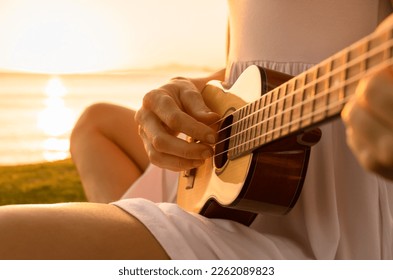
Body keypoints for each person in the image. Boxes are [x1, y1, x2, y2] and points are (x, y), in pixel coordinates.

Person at [0, 0, 392, 259]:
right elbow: (248, 65)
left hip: (321, 212)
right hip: (233, 159)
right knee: (95, 124)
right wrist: (182, 94)